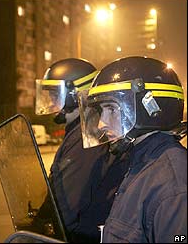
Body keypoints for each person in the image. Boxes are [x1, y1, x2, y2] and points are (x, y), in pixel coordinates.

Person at [78, 56, 187, 243]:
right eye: (101, 111)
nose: (102, 123)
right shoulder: (142, 162)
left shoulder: (173, 186)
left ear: (150, 108)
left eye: (111, 109)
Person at [35, 58, 130, 243]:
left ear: (74, 94)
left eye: (55, 94)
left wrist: (41, 230)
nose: (51, 100)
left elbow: (66, 207)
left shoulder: (86, 136)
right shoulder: (82, 130)